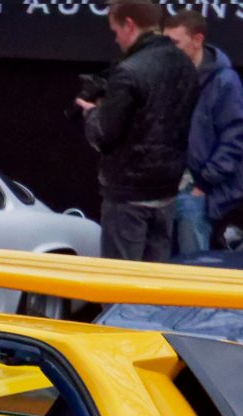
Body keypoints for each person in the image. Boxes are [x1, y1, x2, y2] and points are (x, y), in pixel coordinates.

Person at [78, 0, 199, 262]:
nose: (116, 39)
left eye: (116, 31)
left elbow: (103, 135)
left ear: (129, 25)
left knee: (120, 290)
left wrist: (91, 113)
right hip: (167, 191)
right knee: (153, 290)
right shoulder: (186, 65)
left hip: (128, 196)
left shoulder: (128, 72)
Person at [168, 9, 243, 254]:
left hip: (193, 193)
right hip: (162, 190)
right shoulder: (167, 76)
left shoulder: (224, 81)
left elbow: (235, 137)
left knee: (191, 270)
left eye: (175, 43)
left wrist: (204, 182)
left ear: (197, 40)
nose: (169, 50)